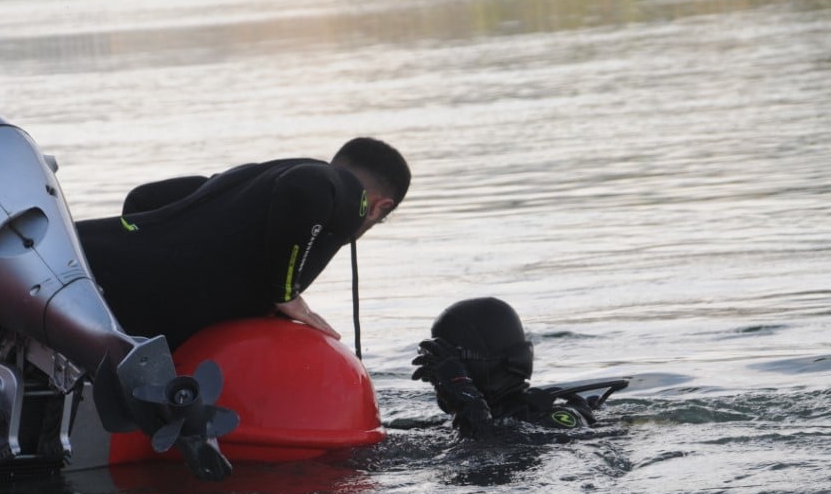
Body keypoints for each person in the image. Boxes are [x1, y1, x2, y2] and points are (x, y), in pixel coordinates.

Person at [76, 137, 411, 350]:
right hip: (105, 290)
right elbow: (304, 190)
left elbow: (144, 198)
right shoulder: (351, 195)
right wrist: (286, 294)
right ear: (382, 206)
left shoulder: (254, 176)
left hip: (85, 253)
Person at [411, 297, 627, 439]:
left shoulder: (555, 421)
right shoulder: (446, 428)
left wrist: (465, 397)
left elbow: (485, 455)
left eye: (451, 364)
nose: (439, 378)